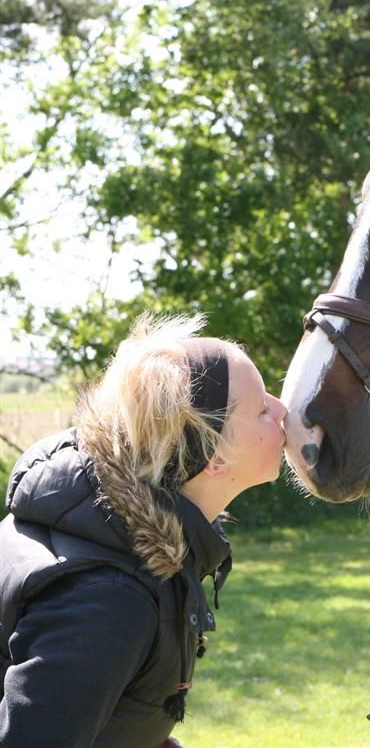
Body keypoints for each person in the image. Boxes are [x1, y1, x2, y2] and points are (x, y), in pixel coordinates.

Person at [0, 312, 287, 747]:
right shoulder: (109, 597)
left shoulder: (107, 532)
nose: (283, 409)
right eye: (262, 408)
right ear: (215, 456)